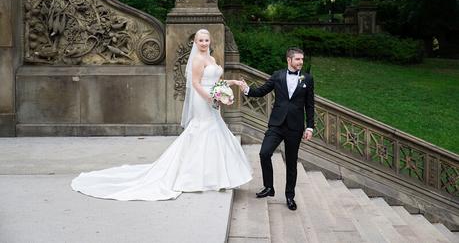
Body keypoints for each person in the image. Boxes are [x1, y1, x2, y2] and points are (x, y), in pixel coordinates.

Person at [71, 29, 252, 201]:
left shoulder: (211, 58)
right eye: (200, 40)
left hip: (212, 98)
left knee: (214, 131)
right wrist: (210, 98)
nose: (204, 43)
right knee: (203, 130)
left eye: (206, 40)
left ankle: (213, 175)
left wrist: (233, 82)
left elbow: (216, 81)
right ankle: (193, 175)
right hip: (203, 99)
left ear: (210, 41)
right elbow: (196, 83)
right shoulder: (197, 59)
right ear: (195, 42)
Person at [240, 47, 314, 210]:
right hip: (277, 124)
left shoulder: (307, 79)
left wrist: (310, 127)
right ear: (289, 60)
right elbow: (261, 91)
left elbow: (309, 105)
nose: (301, 62)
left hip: (295, 127)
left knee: (291, 163)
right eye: (297, 59)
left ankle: (290, 196)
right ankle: (269, 187)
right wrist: (246, 89)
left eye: (302, 59)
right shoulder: (277, 75)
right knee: (264, 153)